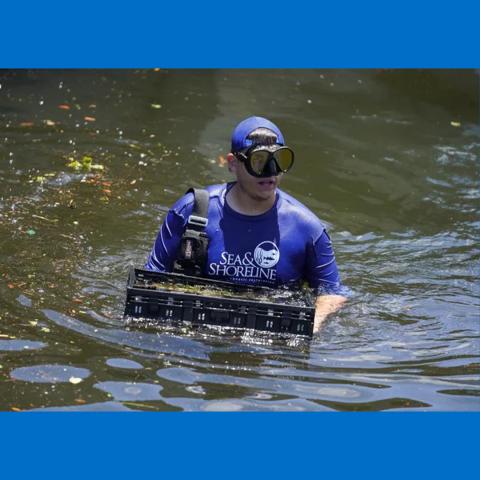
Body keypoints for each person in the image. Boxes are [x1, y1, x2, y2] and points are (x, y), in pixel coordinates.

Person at [145, 116, 347, 332]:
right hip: (198, 332)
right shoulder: (192, 212)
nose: (271, 172)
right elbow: (151, 278)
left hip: (270, 338)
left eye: (279, 160)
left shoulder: (307, 228)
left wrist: (314, 323)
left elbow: (332, 292)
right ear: (233, 163)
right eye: (258, 161)